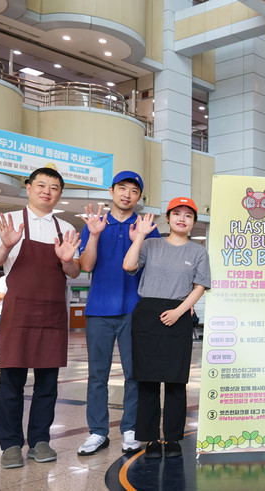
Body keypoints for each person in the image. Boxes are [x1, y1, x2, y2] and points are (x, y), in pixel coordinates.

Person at [0, 167, 81, 469]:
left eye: (54, 187)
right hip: (18, 311)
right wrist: (7, 245)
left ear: (60, 194)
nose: (47, 191)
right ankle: (10, 445)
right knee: (11, 382)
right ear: (28, 187)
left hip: (52, 313)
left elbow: (74, 271)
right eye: (41, 185)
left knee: (47, 384)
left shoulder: (65, 227)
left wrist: (67, 261)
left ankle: (40, 441)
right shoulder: (8, 221)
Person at [76, 171, 161, 456]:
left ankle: (131, 428)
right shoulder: (96, 224)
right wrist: (94, 234)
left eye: (134, 191)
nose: (127, 194)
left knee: (134, 374)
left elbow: (154, 270)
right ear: (111, 191)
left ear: (139, 197)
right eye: (122, 188)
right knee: (97, 375)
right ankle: (97, 431)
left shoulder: (147, 227)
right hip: (99, 309)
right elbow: (86, 266)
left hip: (135, 311)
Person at [123, 197, 210, 459]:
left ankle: (172, 438)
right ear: (169, 218)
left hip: (179, 315)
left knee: (176, 381)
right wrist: (140, 236)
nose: (182, 219)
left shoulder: (198, 252)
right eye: (177, 214)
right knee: (147, 381)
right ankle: (150, 438)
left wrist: (179, 311)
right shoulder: (151, 244)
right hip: (147, 315)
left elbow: (200, 287)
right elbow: (129, 265)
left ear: (193, 222)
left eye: (188, 215)